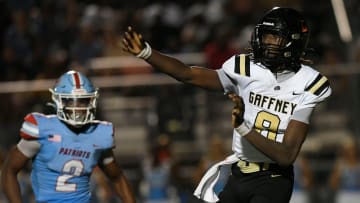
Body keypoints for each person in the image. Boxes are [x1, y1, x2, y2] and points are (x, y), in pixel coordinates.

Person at [122, 6, 332, 203]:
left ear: (293, 41)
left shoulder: (308, 84)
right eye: (266, 36)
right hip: (240, 174)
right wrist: (147, 53)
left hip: (274, 179)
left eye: (275, 37)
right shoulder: (245, 68)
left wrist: (243, 126)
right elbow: (187, 74)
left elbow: (286, 155)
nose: (267, 42)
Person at [1, 70, 136, 203]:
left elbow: (117, 177)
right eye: (71, 101)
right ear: (59, 101)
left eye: (82, 101)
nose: (77, 108)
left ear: (91, 102)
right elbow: (9, 171)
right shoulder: (42, 129)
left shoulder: (98, 134)